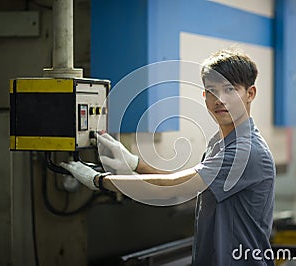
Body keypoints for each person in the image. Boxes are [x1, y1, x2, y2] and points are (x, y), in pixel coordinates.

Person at [61, 49, 275, 265]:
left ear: (250, 93)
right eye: (212, 90)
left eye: (230, 89)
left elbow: (175, 187)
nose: (219, 99)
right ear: (204, 96)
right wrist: (135, 163)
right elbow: (189, 184)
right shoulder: (219, 144)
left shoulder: (246, 151)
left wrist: (98, 180)